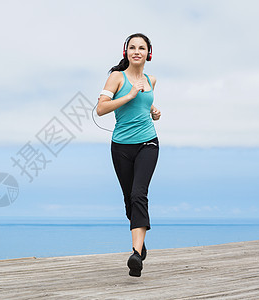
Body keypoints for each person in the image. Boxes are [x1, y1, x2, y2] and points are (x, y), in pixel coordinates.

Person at [96, 33, 161, 277]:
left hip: (148, 143)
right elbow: (101, 108)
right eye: (132, 47)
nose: (137, 51)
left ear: (149, 53)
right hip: (121, 147)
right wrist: (130, 95)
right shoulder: (116, 77)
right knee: (128, 200)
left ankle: (135, 255)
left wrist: (154, 112)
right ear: (126, 52)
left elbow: (146, 105)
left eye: (141, 48)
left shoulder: (151, 79)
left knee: (138, 194)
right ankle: (141, 244)